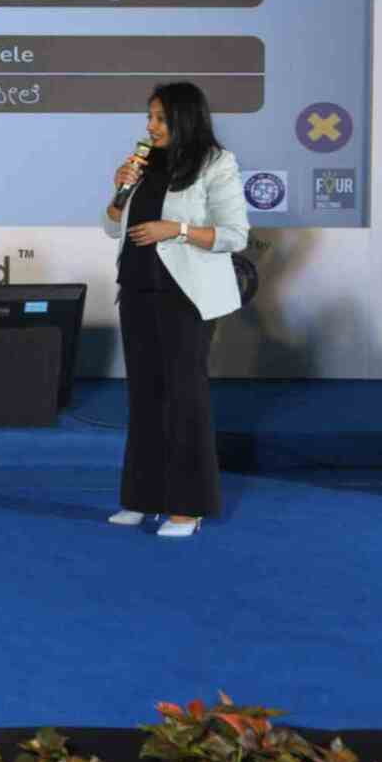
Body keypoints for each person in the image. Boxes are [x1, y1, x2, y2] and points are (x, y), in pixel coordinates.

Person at [103, 82, 248, 538]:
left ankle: (188, 508)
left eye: (160, 118)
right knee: (144, 397)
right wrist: (119, 193)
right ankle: (141, 499)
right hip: (137, 289)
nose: (151, 126)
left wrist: (177, 229)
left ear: (185, 118)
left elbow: (234, 234)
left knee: (185, 398)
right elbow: (113, 228)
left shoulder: (215, 163)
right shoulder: (143, 164)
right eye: (149, 117)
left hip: (186, 296)